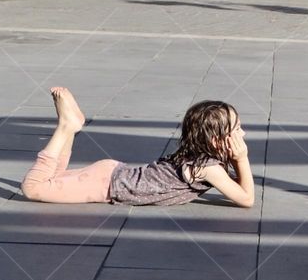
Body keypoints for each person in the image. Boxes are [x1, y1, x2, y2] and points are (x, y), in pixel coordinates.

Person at [20, 87, 254, 208]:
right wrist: (241, 158)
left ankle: (70, 127)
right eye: (237, 129)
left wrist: (234, 159)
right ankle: (65, 127)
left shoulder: (203, 159)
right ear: (216, 141)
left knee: (54, 178)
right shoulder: (208, 168)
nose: (242, 134)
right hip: (105, 185)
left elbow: (236, 187)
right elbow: (246, 199)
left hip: (111, 174)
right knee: (33, 188)